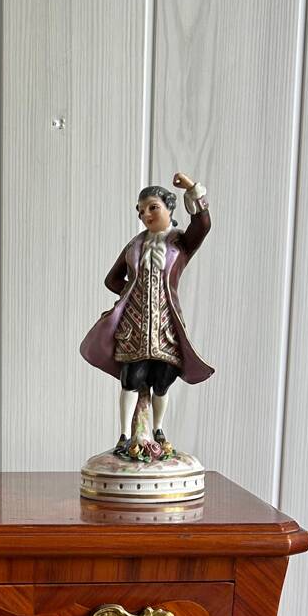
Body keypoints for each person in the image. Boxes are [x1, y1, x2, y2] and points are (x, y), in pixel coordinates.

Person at [80, 173, 214, 458]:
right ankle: (126, 434)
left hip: (166, 325)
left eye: (152, 207)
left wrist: (193, 189)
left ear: (169, 208)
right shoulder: (134, 246)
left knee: (163, 381)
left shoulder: (180, 243)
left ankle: (158, 429)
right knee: (131, 378)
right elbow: (112, 279)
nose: (146, 214)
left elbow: (203, 224)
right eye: (141, 210)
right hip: (135, 326)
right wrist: (132, 293)